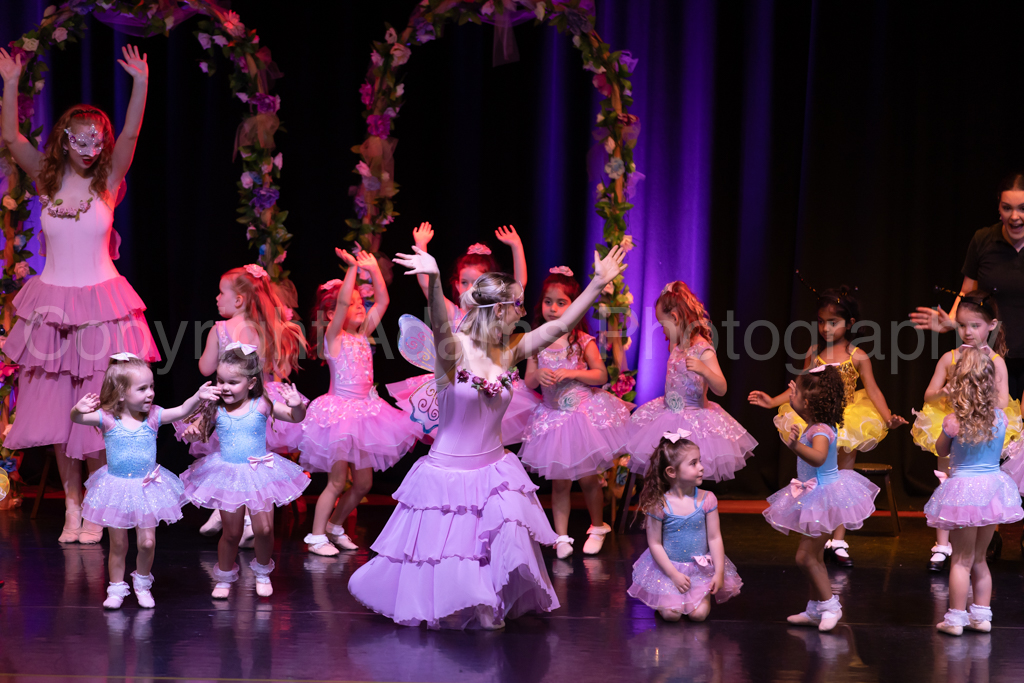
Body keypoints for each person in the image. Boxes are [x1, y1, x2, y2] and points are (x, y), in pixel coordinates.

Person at [348, 242, 626, 629]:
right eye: (516, 306)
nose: (522, 312)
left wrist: (597, 284)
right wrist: (432, 280)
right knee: (449, 556)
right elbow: (440, 321)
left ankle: (488, 599)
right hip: (448, 475)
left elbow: (561, 326)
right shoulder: (452, 349)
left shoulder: (507, 352)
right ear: (497, 310)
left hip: (494, 471)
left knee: (499, 541)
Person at [0, 45, 160, 544]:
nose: (91, 148)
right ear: (65, 139)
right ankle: (71, 509)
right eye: (81, 139)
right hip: (51, 309)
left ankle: (96, 508)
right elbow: (12, 137)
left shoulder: (108, 181)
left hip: (101, 310)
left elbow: (131, 134)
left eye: (98, 140)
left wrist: (140, 83)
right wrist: (10, 82)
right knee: (57, 414)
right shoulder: (46, 181)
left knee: (98, 414)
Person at [750, 286, 905, 567]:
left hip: (847, 421)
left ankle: (839, 539)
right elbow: (799, 387)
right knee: (816, 479)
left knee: (841, 479)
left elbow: (873, 390)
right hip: (818, 419)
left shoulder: (857, 356)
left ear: (850, 323)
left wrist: (888, 418)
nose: (825, 328)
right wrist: (772, 401)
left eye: (833, 322)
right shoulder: (814, 353)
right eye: (821, 321)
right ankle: (819, 531)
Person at [71, 354, 216, 609]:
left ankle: (142, 583)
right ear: (121, 393)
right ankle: (116, 587)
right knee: (118, 543)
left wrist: (198, 397)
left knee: (147, 542)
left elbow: (182, 410)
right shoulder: (108, 418)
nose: (150, 393)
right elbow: (78, 418)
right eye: (142, 389)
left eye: (151, 387)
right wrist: (77, 409)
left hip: (147, 486)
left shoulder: (154, 416)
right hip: (116, 487)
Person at [299, 250, 420, 556]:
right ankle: (316, 536)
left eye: (360, 303)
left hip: (366, 414)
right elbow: (341, 303)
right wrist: (352, 269)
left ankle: (335, 526)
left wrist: (373, 269)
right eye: (353, 304)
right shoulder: (334, 337)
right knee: (337, 481)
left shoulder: (363, 333)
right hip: (339, 415)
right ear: (332, 315)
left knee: (364, 483)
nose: (358, 307)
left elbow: (383, 301)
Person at [519, 266, 632, 558]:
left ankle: (598, 527)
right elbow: (528, 380)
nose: (553, 308)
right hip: (553, 419)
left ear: (574, 306)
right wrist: (538, 374)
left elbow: (600, 375)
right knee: (559, 484)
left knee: (588, 479)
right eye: (548, 302)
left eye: (561, 303)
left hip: (582, 417)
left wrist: (572, 373)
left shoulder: (582, 340)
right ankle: (561, 537)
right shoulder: (536, 341)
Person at [179, 345, 309, 599]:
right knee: (231, 533)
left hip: (259, 472)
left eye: (233, 382)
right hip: (228, 474)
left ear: (250, 383)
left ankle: (262, 572)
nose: (225, 387)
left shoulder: (262, 404)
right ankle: (224, 577)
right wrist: (193, 432)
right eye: (221, 381)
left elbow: (295, 417)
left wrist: (297, 406)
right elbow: (197, 428)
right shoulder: (215, 407)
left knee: (264, 530)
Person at [762, 366, 880, 632]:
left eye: (796, 394)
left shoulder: (819, 431)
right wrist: (795, 401)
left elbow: (817, 457)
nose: (793, 398)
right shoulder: (817, 424)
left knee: (805, 557)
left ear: (808, 402)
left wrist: (795, 445)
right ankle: (816, 609)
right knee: (813, 556)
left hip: (824, 498)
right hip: (816, 495)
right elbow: (805, 416)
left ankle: (831, 605)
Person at [924, 347, 1024, 635]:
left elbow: (941, 450)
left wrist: (948, 433)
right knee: (980, 559)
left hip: (963, 491)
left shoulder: (954, 421)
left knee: (961, 559)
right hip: (992, 490)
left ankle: (955, 619)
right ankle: (981, 617)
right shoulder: (1000, 419)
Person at [628, 281, 757, 482]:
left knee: (685, 474)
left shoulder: (703, 349)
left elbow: (721, 388)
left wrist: (704, 370)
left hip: (693, 421)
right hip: (668, 415)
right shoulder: (676, 345)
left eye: (663, 325)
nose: (662, 331)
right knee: (667, 473)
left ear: (675, 318)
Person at [626, 431, 742, 622]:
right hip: (669, 570)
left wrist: (719, 572)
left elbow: (714, 537)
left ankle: (696, 596)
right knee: (671, 616)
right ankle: (668, 600)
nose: (701, 467)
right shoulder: (660, 504)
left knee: (699, 615)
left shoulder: (707, 499)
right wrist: (673, 575)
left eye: (700, 461)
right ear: (672, 472)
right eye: (693, 463)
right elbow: (655, 543)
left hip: (699, 571)